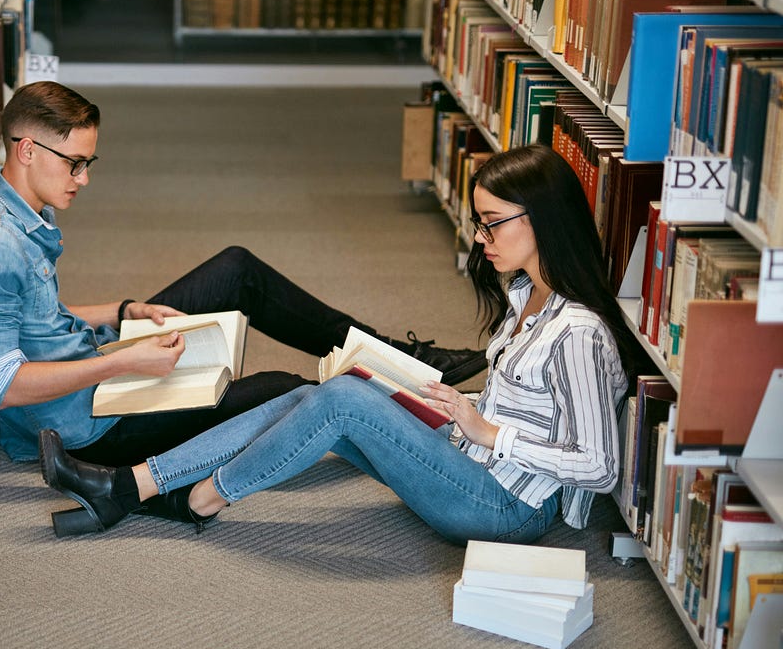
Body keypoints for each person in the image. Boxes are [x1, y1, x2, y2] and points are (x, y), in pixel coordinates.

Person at [0, 81, 486, 532]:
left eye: (89, 162)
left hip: (97, 366)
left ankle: (393, 357)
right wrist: (124, 361)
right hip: (87, 423)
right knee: (289, 392)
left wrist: (123, 309)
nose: (84, 179)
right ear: (26, 150)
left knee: (236, 270)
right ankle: (410, 403)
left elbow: (37, 318)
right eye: (75, 164)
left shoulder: (12, 206)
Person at [39, 143, 639, 542]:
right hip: (467, 456)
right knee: (323, 392)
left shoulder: (578, 332)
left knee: (341, 402)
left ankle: (198, 500)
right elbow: (526, 410)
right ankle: (132, 486)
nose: (481, 236)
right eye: (479, 221)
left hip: (506, 507)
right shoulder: (524, 299)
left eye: (493, 222)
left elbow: (601, 467)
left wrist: (491, 432)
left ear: (543, 220)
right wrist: (464, 411)